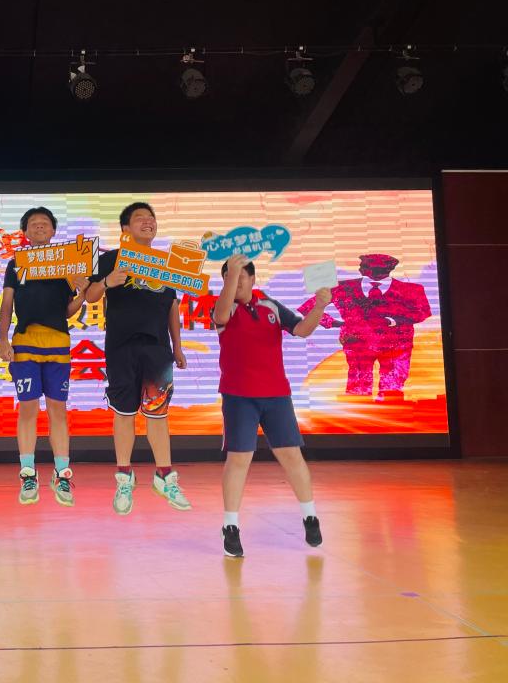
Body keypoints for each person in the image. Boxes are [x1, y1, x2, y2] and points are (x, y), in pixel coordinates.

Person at [213, 253, 329, 557]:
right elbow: (221, 316)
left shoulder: (271, 306)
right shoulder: (223, 308)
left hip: (277, 395)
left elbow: (302, 329)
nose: (237, 282)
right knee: (239, 459)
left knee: (291, 455)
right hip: (239, 397)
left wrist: (319, 307)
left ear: (253, 279)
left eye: (242, 277)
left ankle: (310, 516)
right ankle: (230, 526)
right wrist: (231, 273)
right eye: (229, 277)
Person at [85, 202, 190, 516]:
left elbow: (172, 306)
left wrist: (178, 346)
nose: (148, 222)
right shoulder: (110, 259)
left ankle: (164, 476)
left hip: (157, 348)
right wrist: (107, 282)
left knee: (158, 412)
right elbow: (89, 295)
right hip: (120, 347)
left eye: (151, 218)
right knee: (124, 412)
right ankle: (124, 477)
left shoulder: (166, 263)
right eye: (140, 218)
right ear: (125, 229)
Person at [0, 207, 88, 506]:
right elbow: (7, 304)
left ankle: (62, 474)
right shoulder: (16, 263)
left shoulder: (67, 264)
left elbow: (68, 311)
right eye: (33, 223)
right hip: (25, 342)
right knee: (27, 408)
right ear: (25, 232)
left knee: (57, 410)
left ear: (53, 231)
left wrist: (82, 293)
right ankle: (28, 474)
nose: (39, 226)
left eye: (45, 223)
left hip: (58, 344)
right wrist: (2, 339)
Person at [298, 254, 431, 400]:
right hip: (357, 343)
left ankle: (389, 409)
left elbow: (422, 312)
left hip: (397, 345)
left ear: (384, 269)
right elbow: (308, 308)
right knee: (358, 390)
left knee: (392, 392)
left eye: (365, 266)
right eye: (362, 265)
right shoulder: (342, 288)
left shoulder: (411, 289)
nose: (360, 269)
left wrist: (392, 320)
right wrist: (333, 323)